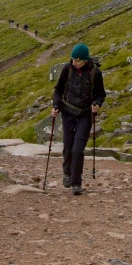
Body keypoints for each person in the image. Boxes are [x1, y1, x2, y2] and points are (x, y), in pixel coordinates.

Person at [52, 43, 105, 194]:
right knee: (68, 147)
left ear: (86, 60)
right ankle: (67, 173)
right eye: (73, 59)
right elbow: (58, 90)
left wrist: (96, 103)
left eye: (78, 60)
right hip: (68, 112)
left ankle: (76, 182)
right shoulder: (67, 69)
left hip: (85, 115)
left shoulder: (95, 73)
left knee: (78, 149)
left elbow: (101, 94)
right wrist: (56, 106)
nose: (74, 63)